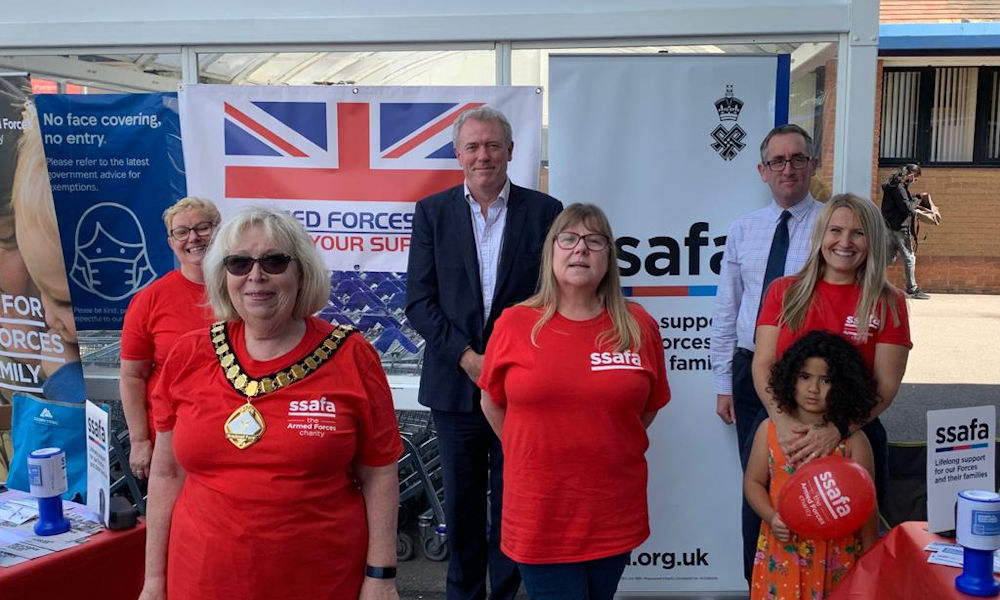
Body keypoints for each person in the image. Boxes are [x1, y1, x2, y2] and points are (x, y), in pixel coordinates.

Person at [139, 207, 402, 600]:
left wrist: (381, 577)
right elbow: (165, 476)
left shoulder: (352, 355)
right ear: (222, 274)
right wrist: (154, 581)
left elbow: (379, 473)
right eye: (239, 262)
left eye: (274, 261)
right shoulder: (188, 354)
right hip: (200, 579)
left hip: (320, 580)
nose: (255, 276)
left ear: (301, 272)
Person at [405, 105, 562, 600]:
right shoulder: (432, 213)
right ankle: (464, 594)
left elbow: (554, 296)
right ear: (457, 155)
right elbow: (420, 301)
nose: (483, 155)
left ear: (511, 151)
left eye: (493, 145)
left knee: (516, 505)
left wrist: (509, 362)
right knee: (464, 508)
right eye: (472, 146)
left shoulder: (545, 212)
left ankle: (508, 593)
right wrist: (469, 358)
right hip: (456, 385)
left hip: (521, 388)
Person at [478, 204, 669, 600]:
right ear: (551, 252)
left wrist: (602, 436)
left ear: (610, 258)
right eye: (568, 239)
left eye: (594, 240)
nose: (580, 249)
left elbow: (647, 407)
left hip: (613, 510)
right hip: (540, 512)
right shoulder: (514, 324)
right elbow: (491, 401)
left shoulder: (638, 325)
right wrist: (529, 446)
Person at [709, 123, 824, 580]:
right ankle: (756, 580)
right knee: (757, 482)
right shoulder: (744, 229)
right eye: (778, 160)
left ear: (813, 165)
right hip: (748, 370)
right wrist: (723, 384)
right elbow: (727, 308)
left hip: (809, 376)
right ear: (762, 170)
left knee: (811, 476)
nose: (788, 168)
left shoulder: (832, 228)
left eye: (798, 158)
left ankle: (812, 578)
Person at [752, 193, 911, 510]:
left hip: (852, 433)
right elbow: (763, 363)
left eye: (858, 233)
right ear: (821, 235)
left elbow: (886, 385)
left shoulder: (888, 302)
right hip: (783, 428)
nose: (845, 242)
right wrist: (781, 422)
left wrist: (837, 430)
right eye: (836, 230)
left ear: (873, 240)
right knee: (772, 530)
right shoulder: (784, 291)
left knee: (854, 542)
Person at [745, 330, 878, 600]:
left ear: (842, 385)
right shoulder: (769, 430)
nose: (813, 389)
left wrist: (870, 553)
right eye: (804, 377)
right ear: (790, 377)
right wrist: (771, 516)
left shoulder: (853, 440)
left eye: (826, 380)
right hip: (783, 551)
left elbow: (868, 503)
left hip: (837, 555)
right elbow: (753, 482)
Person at [119, 196, 220, 480]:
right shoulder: (150, 299)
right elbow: (132, 376)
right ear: (171, 242)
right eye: (182, 232)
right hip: (171, 438)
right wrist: (139, 441)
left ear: (220, 232)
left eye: (203, 227)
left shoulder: (245, 290)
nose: (194, 238)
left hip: (235, 433)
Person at [880, 163, 929, 299]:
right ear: (911, 175)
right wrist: (916, 202)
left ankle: (875, 283)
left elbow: (902, 200)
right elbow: (907, 208)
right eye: (916, 178)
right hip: (899, 228)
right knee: (909, 258)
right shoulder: (899, 188)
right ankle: (912, 289)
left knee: (887, 258)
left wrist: (915, 196)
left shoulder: (893, 185)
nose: (915, 180)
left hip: (889, 226)